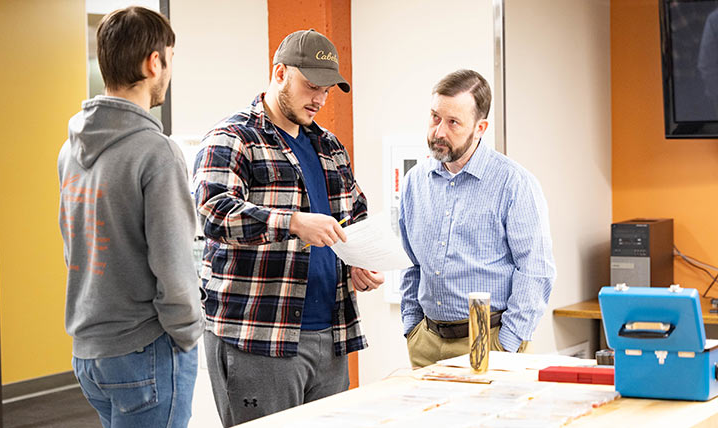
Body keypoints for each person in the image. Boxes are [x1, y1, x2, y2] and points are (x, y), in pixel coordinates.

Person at [193, 29, 384, 427]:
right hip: (258, 337)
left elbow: (355, 213)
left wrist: (359, 262)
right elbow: (213, 212)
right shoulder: (233, 138)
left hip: (330, 335)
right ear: (279, 73)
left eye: (327, 91)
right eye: (311, 86)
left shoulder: (330, 147)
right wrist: (293, 223)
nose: (319, 99)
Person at [57, 7, 203, 427]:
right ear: (153, 62)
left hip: (90, 353)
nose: (169, 73)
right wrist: (188, 334)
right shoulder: (156, 151)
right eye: (170, 60)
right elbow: (173, 263)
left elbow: (74, 248)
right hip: (146, 350)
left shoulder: (70, 150)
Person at [399, 69, 555, 368]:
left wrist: (506, 344)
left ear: (480, 127)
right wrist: (411, 327)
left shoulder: (513, 183)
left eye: (453, 122)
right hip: (426, 341)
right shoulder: (414, 182)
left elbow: (536, 270)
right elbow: (411, 262)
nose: (438, 132)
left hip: (489, 338)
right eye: (435, 117)